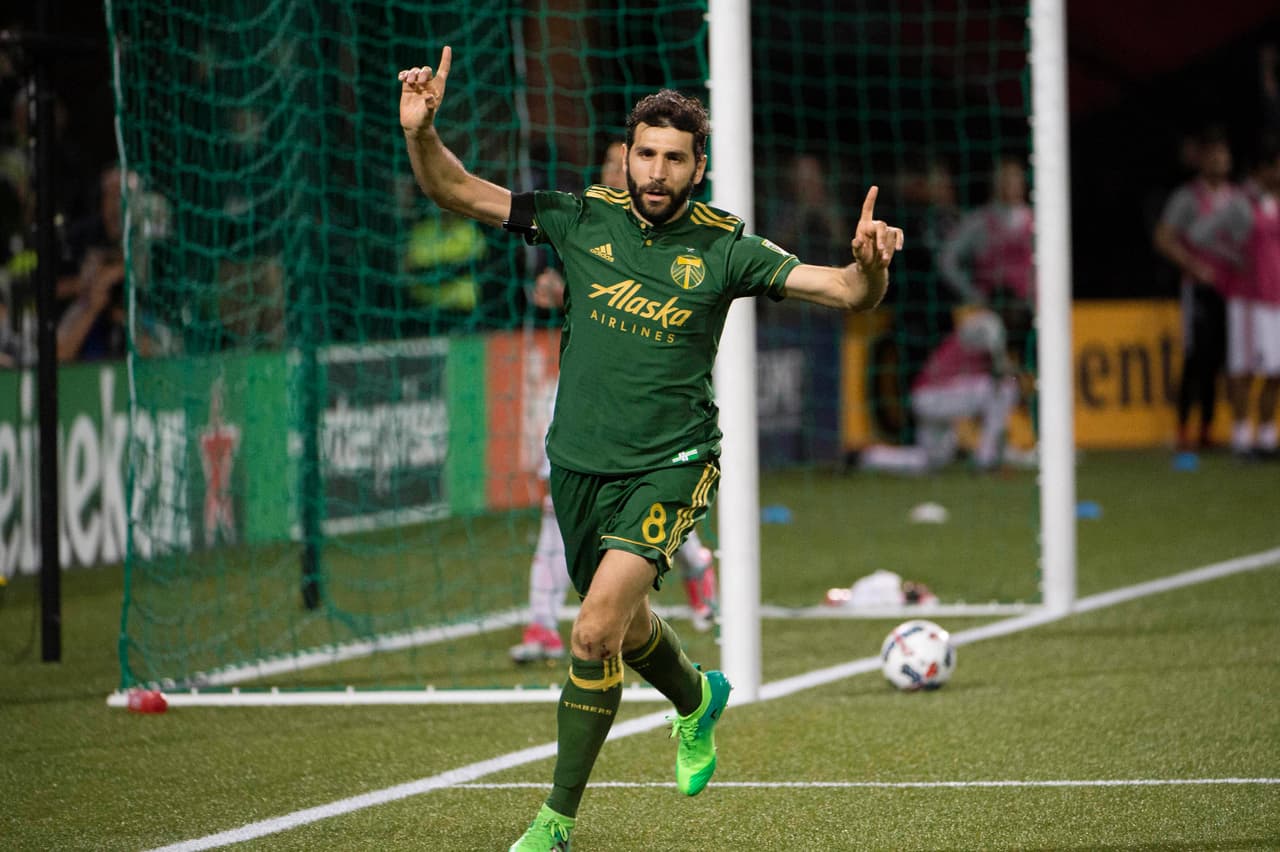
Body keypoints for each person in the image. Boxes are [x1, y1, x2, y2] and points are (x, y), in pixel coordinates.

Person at [398, 47, 902, 851]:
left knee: (593, 631)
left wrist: (870, 268)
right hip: (579, 465)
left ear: (697, 169)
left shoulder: (726, 246)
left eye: (674, 159)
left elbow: (842, 290)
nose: (657, 171)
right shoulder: (579, 217)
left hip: (672, 463)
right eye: (646, 154)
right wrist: (424, 134)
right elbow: (454, 189)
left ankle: (554, 823)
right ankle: (698, 697)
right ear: (627, 157)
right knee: (626, 630)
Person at [511, 141, 722, 664]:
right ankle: (541, 623)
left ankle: (696, 565)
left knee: (640, 500)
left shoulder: (686, 239)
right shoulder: (586, 221)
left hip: (650, 393)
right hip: (587, 389)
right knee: (553, 506)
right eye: (614, 167)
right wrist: (554, 287)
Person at [858, 299, 1031, 474]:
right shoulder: (988, 323)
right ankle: (987, 461)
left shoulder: (987, 327)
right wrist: (1022, 390)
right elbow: (1001, 369)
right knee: (1005, 389)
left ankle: (868, 457)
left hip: (929, 397)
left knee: (932, 460)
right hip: (935, 393)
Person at [1187, 135, 1280, 457]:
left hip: (1276, 297)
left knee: (1275, 371)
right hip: (1249, 299)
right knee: (1244, 369)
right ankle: (1242, 437)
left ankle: (1267, 437)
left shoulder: (1275, 201)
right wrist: (1234, 258)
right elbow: (1199, 234)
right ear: (1263, 169)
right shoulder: (1241, 203)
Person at [1153, 126, 1238, 451]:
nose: (1220, 160)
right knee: (1195, 359)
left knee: (1221, 359)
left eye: (1224, 154)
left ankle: (1208, 429)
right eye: (1214, 154)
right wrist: (1193, 265)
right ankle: (1184, 429)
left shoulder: (1237, 198)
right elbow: (1163, 238)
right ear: (1202, 159)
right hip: (1197, 290)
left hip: (1232, 292)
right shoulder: (1188, 198)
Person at [938, 156, 1034, 308]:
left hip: (1028, 306)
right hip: (989, 307)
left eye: (1014, 178)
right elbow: (946, 260)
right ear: (994, 182)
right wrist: (972, 293)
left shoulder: (1037, 222)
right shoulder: (978, 221)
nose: (1009, 184)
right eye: (1004, 178)